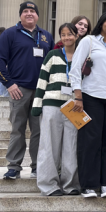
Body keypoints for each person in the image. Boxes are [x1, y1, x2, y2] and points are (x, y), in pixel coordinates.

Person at [0, 1, 54, 180]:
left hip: (40, 90)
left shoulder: (45, 36)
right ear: (20, 15)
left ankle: (37, 166)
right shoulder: (9, 34)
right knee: (17, 129)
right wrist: (9, 84)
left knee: (38, 131)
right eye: (25, 11)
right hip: (18, 89)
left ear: (37, 15)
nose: (29, 14)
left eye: (32, 11)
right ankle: (13, 166)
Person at [71, 12, 106, 198]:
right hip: (91, 96)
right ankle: (88, 185)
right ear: (101, 23)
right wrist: (77, 96)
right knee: (90, 141)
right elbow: (75, 69)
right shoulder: (89, 41)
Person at [31, 23, 81, 196]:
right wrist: (37, 105)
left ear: (76, 36)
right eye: (63, 34)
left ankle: (71, 184)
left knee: (71, 146)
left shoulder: (82, 57)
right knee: (49, 145)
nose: (67, 37)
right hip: (51, 104)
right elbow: (42, 81)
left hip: (74, 106)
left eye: (70, 34)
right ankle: (49, 185)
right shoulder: (52, 55)